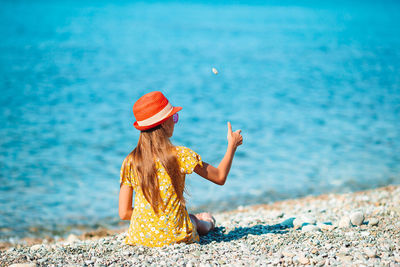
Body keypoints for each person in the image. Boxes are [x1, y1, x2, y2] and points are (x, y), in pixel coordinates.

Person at [118, 91, 243, 247]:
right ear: (164, 123)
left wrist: (152, 218)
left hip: (140, 238)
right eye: (174, 117)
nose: (175, 122)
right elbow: (219, 177)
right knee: (193, 220)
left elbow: (124, 213)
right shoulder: (180, 155)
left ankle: (198, 220)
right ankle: (209, 222)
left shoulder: (130, 161)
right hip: (177, 236)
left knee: (187, 218)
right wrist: (232, 146)